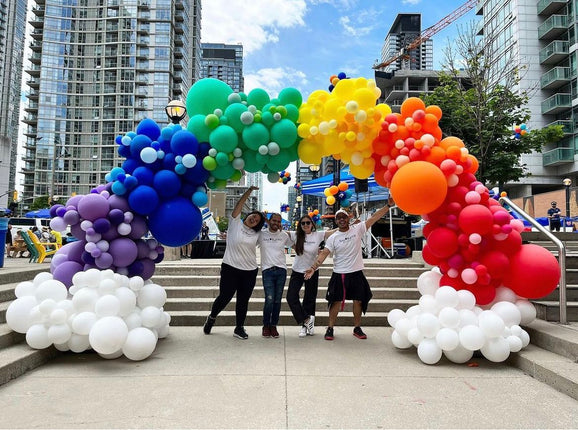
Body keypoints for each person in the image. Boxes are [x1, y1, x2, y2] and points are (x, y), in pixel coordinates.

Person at [304, 203, 391, 341]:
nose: (341, 220)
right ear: (336, 221)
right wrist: (313, 267)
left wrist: (387, 206)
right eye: (338, 218)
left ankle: (357, 327)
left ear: (348, 218)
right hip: (339, 274)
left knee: (359, 301)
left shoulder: (357, 229)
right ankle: (330, 328)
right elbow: (324, 253)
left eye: (344, 217)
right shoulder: (333, 237)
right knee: (335, 302)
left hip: (356, 272)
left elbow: (374, 217)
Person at [203, 186, 265, 340]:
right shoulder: (235, 223)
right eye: (253, 216)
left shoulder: (258, 234)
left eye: (257, 220)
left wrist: (265, 218)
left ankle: (239, 327)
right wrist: (248, 192)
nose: (254, 219)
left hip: (249, 271)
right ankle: (212, 317)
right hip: (230, 267)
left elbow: (274, 231)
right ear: (247, 215)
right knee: (225, 296)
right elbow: (238, 205)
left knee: (243, 300)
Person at [286, 215, 336, 338]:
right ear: (300, 225)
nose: (305, 225)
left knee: (310, 299)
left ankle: (305, 327)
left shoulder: (318, 235)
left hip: (312, 271)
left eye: (308, 223)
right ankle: (306, 320)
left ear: (312, 224)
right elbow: (280, 231)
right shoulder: (296, 235)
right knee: (291, 297)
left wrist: (351, 225)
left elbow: (334, 231)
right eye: (303, 223)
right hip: (297, 271)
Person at [258, 213, 292, 338]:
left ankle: (273, 325)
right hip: (267, 270)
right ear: (269, 221)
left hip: (281, 270)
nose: (276, 223)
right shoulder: (261, 234)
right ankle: (266, 325)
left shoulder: (283, 235)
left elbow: (294, 244)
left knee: (277, 301)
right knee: (270, 299)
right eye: (274, 220)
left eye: (278, 221)